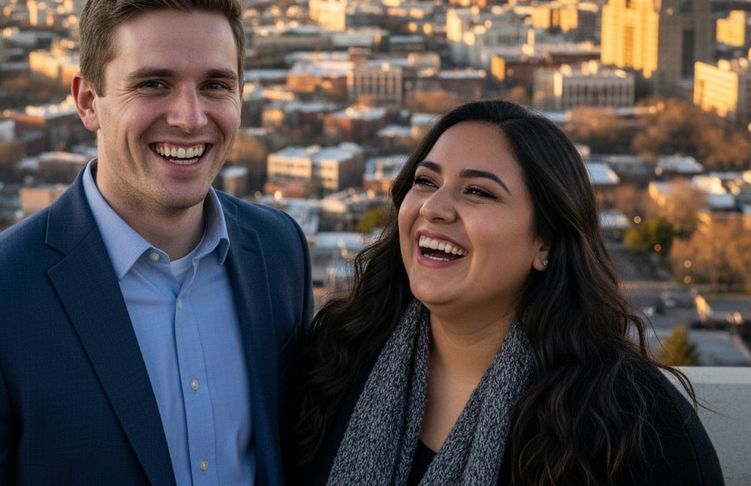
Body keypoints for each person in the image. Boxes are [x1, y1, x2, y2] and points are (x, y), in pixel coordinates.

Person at [0, 0, 313, 486]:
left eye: (215, 84)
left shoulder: (281, 251)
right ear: (87, 102)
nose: (190, 117)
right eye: (153, 84)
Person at [287, 99, 724, 486]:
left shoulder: (637, 427)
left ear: (545, 242)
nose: (433, 208)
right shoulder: (337, 362)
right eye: (425, 182)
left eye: (478, 191)